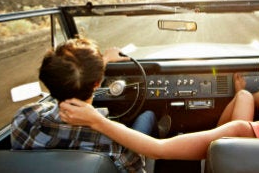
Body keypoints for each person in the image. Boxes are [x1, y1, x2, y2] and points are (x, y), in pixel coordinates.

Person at [59, 39, 259, 160]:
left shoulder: (239, 133)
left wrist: (97, 119)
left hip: (230, 158)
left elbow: (159, 149)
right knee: (243, 95)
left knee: (240, 98)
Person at [10, 38, 155, 173]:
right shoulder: (117, 144)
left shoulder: (26, 117)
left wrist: (101, 63)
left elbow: (74, 75)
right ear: (98, 84)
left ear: (48, 83)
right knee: (148, 115)